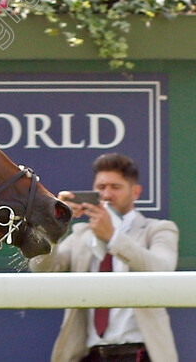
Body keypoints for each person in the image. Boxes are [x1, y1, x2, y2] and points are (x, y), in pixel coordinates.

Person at [29, 153, 179, 362]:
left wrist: (113, 237)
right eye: (101, 188)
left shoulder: (158, 229)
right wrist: (54, 226)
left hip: (140, 354)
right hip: (90, 355)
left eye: (115, 187)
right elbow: (42, 268)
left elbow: (163, 270)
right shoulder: (81, 234)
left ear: (135, 192)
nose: (107, 194)